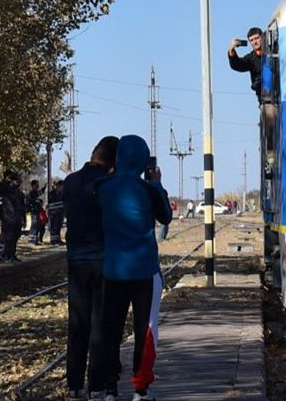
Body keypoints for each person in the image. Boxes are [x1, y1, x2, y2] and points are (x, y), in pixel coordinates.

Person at [98, 135, 172, 401]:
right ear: (142, 159)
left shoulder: (102, 188)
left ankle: (109, 389)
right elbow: (165, 216)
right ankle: (141, 390)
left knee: (111, 330)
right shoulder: (149, 190)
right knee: (146, 330)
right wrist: (157, 183)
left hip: (113, 270)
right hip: (145, 270)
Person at [64, 136, 118, 399]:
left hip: (76, 260)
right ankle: (95, 385)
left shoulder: (71, 181)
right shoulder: (109, 184)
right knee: (100, 325)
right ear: (113, 163)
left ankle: (74, 385)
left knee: (77, 324)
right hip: (103, 261)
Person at [0, 170, 25, 262]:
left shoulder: (17, 191)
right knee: (7, 235)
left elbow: (21, 205)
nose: (15, 181)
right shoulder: (2, 188)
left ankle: (11, 254)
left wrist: (23, 218)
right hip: (7, 215)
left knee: (15, 235)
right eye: (12, 178)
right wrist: (0, 212)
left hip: (16, 216)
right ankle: (3, 255)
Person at [27, 178, 45, 244]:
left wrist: (44, 188)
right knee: (34, 225)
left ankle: (35, 240)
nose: (38, 186)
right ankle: (31, 240)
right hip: (33, 211)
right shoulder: (31, 193)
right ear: (33, 185)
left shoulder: (35, 192)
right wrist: (38, 202)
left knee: (37, 225)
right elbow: (32, 201)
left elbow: (40, 192)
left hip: (37, 211)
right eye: (37, 184)